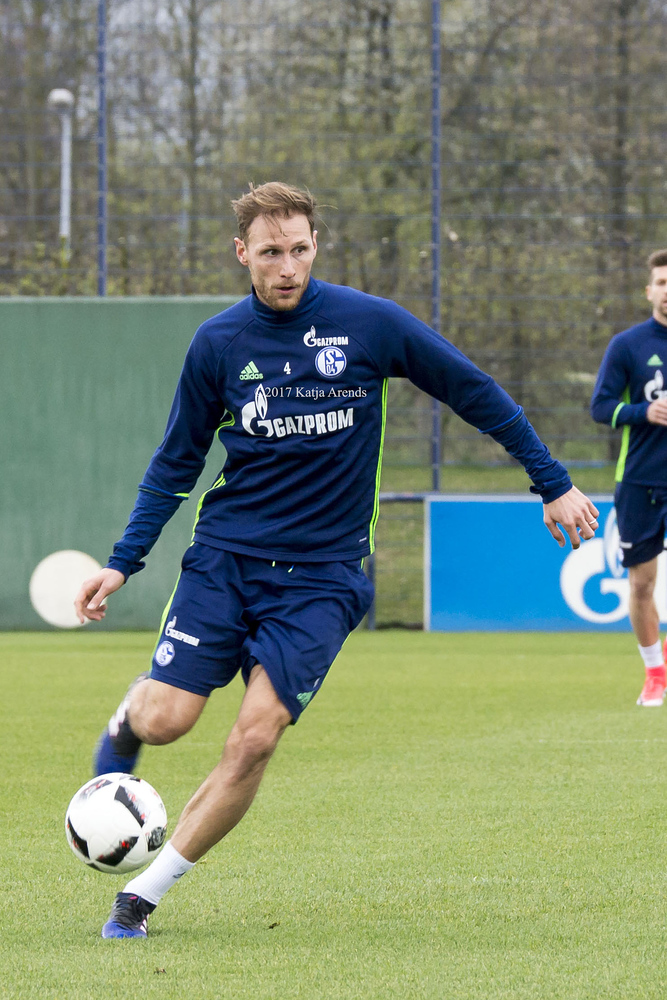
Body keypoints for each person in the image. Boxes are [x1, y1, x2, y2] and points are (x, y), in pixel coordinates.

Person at [75, 181, 599, 938]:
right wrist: (124, 562)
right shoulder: (218, 344)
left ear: (314, 244)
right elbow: (174, 464)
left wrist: (551, 483)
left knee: (254, 736)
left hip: (323, 578)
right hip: (224, 561)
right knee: (167, 722)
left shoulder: (369, 324)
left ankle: (140, 897)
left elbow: (473, 391)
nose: (285, 266)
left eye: (298, 249)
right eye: (269, 252)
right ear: (241, 254)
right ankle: (130, 715)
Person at [591, 249, 667, 707]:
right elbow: (601, 407)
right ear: (649, 290)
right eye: (661, 282)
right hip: (640, 481)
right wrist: (644, 411)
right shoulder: (628, 345)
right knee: (641, 584)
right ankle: (655, 673)